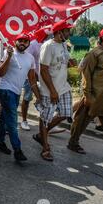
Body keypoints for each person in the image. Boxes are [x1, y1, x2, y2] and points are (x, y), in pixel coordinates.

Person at [68, 26, 103, 161]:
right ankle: (73, 143)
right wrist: (87, 95)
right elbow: (86, 76)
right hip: (95, 97)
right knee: (81, 121)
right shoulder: (94, 54)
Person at [34, 21, 77, 162]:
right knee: (45, 118)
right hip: (49, 90)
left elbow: (63, 61)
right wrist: (52, 91)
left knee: (66, 113)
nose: (69, 34)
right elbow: (44, 70)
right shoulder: (48, 46)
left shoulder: (64, 44)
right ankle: (45, 147)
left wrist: (71, 63)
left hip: (63, 87)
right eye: (67, 31)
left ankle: (42, 134)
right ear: (59, 32)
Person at [0, 34, 40, 162]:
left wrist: (38, 97)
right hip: (5, 90)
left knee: (5, 117)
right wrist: (9, 57)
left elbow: (32, 80)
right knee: (12, 121)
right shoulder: (8, 52)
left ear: (28, 44)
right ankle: (17, 150)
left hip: (16, 92)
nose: (22, 43)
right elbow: (1, 73)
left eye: (26, 41)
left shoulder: (30, 58)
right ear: (15, 41)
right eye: (20, 40)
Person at [20, 37, 42, 131]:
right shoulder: (33, 44)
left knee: (43, 99)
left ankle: (45, 123)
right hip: (29, 77)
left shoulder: (48, 43)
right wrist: (33, 77)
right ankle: (24, 121)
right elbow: (27, 62)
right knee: (27, 98)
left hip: (41, 76)